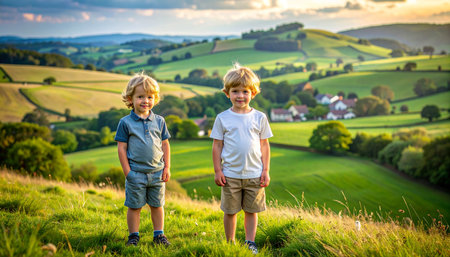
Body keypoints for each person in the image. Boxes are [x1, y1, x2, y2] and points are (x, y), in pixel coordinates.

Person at [210, 63, 273, 254]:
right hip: (230, 174)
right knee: (230, 211)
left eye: (245, 91)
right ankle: (229, 243)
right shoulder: (222, 118)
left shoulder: (260, 117)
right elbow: (217, 146)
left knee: (251, 211)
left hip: (255, 174)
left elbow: (264, 145)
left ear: (253, 93)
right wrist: (218, 170)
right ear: (227, 93)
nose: (240, 96)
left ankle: (250, 242)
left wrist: (266, 170)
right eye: (235, 91)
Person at [115, 73, 171, 247]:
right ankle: (134, 236)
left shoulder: (160, 121)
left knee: (157, 205)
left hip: (157, 173)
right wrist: (128, 173)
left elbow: (165, 145)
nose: (145, 101)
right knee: (134, 206)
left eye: (150, 97)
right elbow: (121, 148)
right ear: (130, 99)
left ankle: (159, 235)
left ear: (155, 99)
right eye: (140, 97)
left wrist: (167, 167)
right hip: (136, 174)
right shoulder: (125, 123)